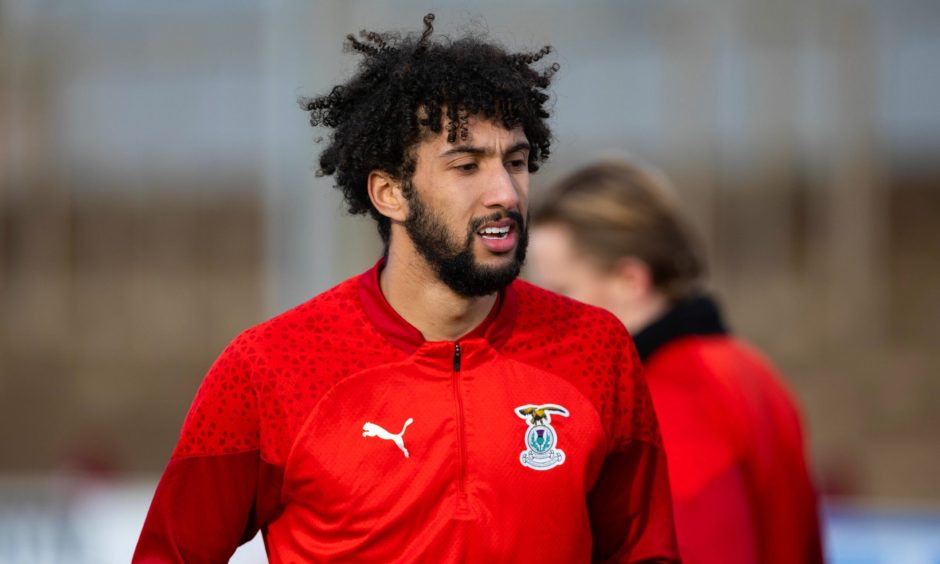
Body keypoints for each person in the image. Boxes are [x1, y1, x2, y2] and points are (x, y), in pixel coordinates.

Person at [134, 16, 679, 563]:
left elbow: (645, 554)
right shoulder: (268, 367)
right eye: (466, 165)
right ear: (390, 193)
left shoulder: (596, 347)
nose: (506, 193)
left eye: (515, 162)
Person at [529, 159, 824, 564]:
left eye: (561, 292)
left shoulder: (669, 399)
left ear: (631, 281)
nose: (543, 314)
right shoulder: (752, 370)